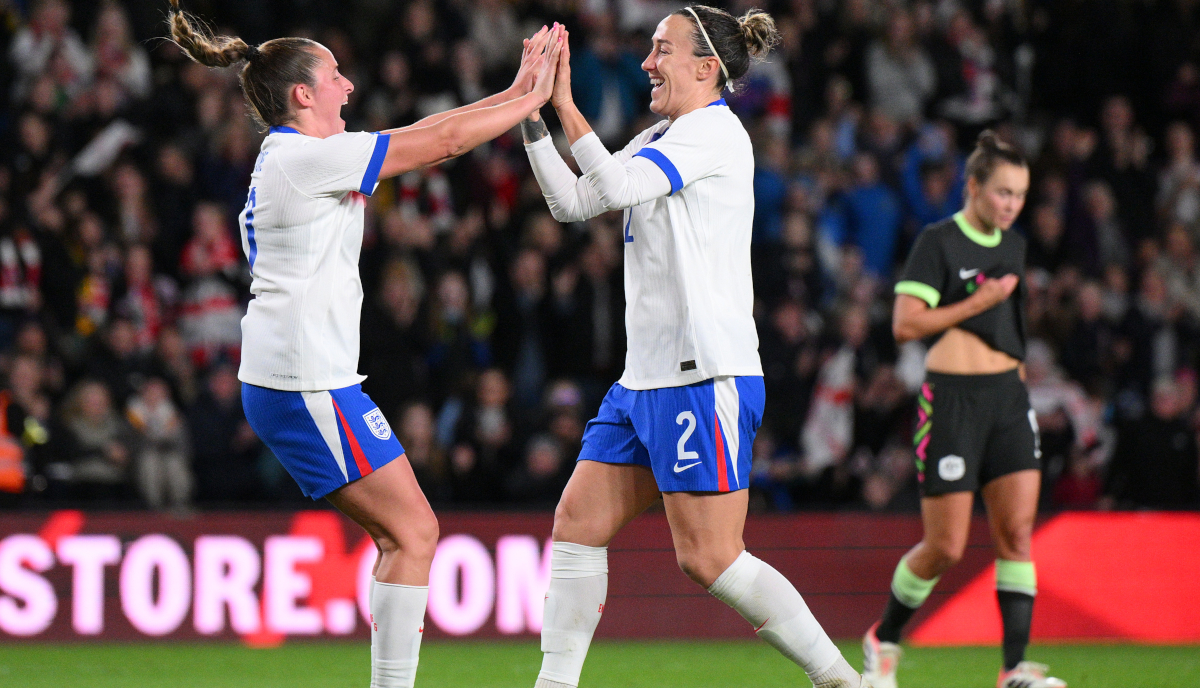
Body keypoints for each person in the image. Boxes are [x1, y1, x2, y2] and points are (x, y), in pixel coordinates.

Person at [166, 3, 564, 686]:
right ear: (302, 95)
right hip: (304, 383)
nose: (348, 86)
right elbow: (439, 144)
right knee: (415, 533)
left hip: (304, 380)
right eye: (335, 76)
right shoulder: (303, 159)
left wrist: (516, 90)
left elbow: (429, 130)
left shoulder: (297, 159)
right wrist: (531, 97)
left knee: (402, 536)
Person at [523, 7, 867, 688]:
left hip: (702, 372)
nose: (648, 63)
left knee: (710, 558)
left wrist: (565, 103)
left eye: (662, 50)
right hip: (644, 378)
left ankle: (841, 681)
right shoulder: (663, 133)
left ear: (707, 67)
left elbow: (615, 188)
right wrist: (531, 115)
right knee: (576, 524)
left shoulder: (714, 134)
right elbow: (572, 203)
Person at [863, 132, 1066, 688]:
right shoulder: (937, 242)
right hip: (951, 398)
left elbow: (1012, 333)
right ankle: (884, 640)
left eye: (1020, 196)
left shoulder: (1015, 247)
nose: (1010, 205)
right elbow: (905, 325)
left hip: (1007, 398)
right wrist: (976, 302)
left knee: (1017, 535)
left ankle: (1014, 669)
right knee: (946, 547)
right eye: (1002, 192)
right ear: (972, 186)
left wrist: (1020, 393)